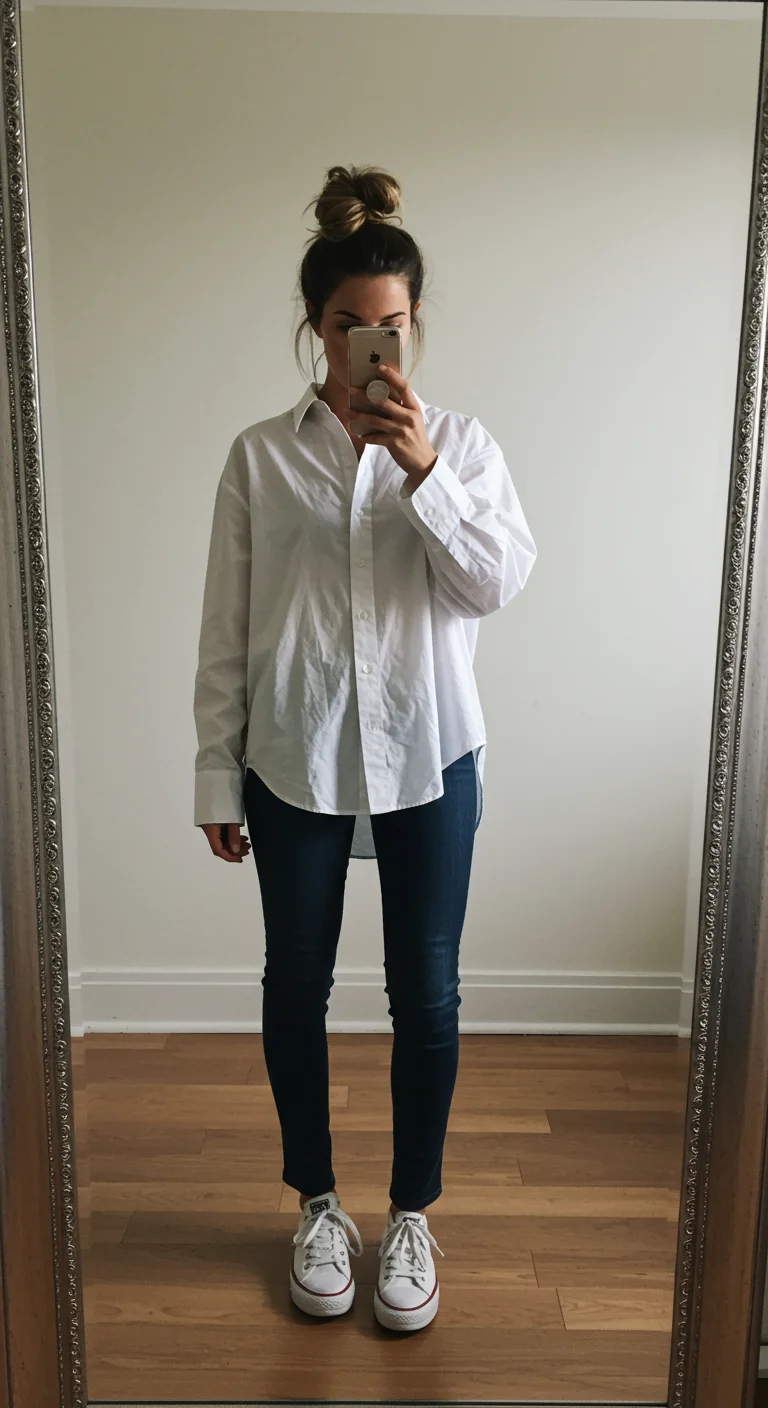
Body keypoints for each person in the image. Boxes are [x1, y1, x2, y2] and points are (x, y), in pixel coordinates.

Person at [193, 164, 537, 1334]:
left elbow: (495, 584)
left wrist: (424, 473)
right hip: (292, 753)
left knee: (425, 992)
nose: (370, 349)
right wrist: (214, 768)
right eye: (349, 325)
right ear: (316, 324)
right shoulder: (259, 456)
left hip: (432, 752)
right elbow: (227, 630)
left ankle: (412, 1216)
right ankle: (317, 1204)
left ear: (414, 323)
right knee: (295, 984)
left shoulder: (464, 446)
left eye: (390, 325)